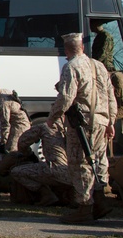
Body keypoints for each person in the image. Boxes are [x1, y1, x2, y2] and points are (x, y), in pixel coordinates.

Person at [46, 32, 116, 224]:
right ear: (82, 47)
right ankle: (101, 200)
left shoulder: (71, 67)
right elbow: (110, 95)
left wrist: (53, 118)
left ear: (66, 50)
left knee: (80, 164)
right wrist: (111, 121)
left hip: (83, 124)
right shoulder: (99, 66)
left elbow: (66, 98)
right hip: (102, 121)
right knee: (99, 161)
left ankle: (85, 207)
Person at [9, 118, 72, 207]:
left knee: (16, 171)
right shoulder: (75, 129)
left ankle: (46, 194)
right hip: (77, 174)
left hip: (56, 170)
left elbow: (23, 142)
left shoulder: (45, 127)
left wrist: (27, 154)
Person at [0, 77, 31, 154]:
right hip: (21, 124)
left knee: (11, 151)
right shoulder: (4, 92)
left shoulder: (2, 102)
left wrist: (3, 142)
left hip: (20, 126)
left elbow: (5, 123)